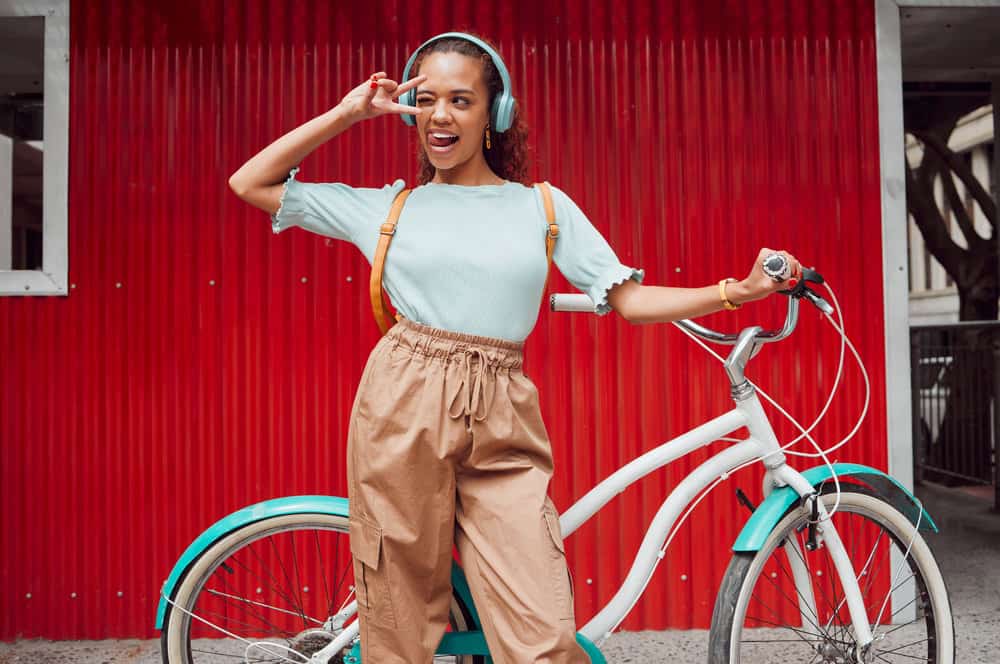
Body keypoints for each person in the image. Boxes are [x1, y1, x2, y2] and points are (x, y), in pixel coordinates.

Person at [228, 32, 801, 664]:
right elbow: (250, 182)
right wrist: (348, 114)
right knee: (399, 622)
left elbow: (631, 302)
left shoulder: (544, 209)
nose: (440, 115)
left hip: (503, 410)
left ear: (494, 117)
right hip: (404, 402)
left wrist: (737, 292)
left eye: (461, 100)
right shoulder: (388, 209)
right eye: (426, 99)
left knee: (544, 634)